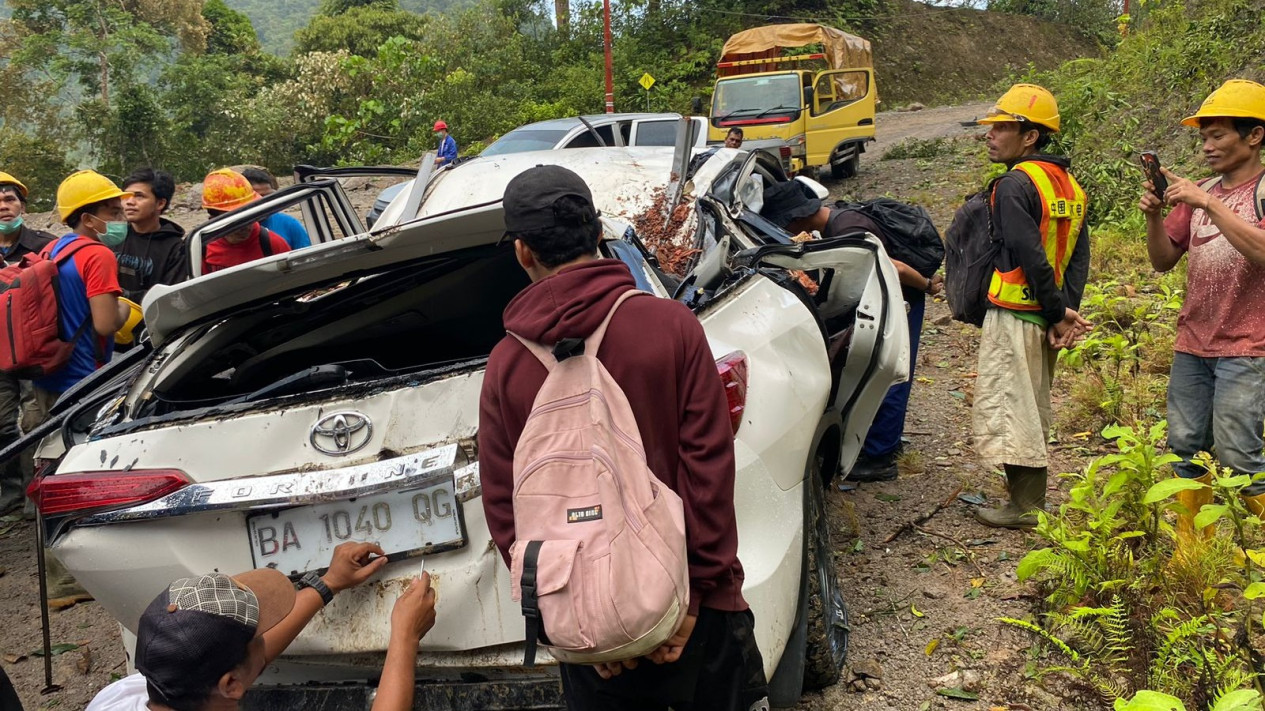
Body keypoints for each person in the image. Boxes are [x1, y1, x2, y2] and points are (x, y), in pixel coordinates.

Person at [478, 165, 768, 711]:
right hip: (698, 614)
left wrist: (579, 617)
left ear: (522, 253)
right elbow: (709, 468)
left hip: (590, 637)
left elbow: (505, 510)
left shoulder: (505, 366)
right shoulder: (671, 325)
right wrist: (691, 600)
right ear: (598, 234)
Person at [1138, 79, 1265, 555]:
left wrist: (1208, 203)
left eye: (1219, 136)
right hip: (1193, 343)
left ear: (1254, 137)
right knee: (1187, 450)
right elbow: (1162, 260)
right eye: (1204, 138)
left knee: (1239, 458)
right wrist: (1154, 214)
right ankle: (1194, 556)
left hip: (1249, 346)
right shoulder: (1201, 191)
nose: (1208, 146)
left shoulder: (1253, 191)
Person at [84, 542, 438, 711]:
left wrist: (328, 584)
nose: (266, 635)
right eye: (258, 633)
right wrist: (405, 637)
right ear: (231, 684)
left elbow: (252, 656)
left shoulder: (125, 697)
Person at [967, 84, 1091, 529]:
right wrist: (1063, 313)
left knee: (1010, 405)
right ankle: (1027, 501)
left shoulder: (1014, 184)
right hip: (1045, 315)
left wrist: (1058, 314)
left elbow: (1027, 254)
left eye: (1003, 126)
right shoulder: (1069, 184)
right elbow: (1077, 257)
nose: (991, 134)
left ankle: (1024, 507)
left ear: (1031, 136)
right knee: (1032, 403)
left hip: (1018, 311)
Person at [761, 180, 944, 482]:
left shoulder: (848, 229)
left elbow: (894, 268)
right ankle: (886, 441)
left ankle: (880, 457)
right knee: (884, 370)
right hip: (893, 295)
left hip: (901, 298)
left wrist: (927, 285)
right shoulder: (837, 218)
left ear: (796, 218)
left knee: (888, 372)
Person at [30, 170, 133, 607]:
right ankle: (72, 579)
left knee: (50, 472)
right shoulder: (96, 255)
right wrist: (131, 311)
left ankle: (60, 576)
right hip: (85, 380)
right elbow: (106, 323)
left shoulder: (52, 249)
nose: (120, 216)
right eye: (112, 211)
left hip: (46, 378)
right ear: (89, 218)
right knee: (89, 473)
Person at [0, 172, 53, 517]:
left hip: (36, 350)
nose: (3, 208)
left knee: (37, 421)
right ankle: (10, 498)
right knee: (2, 424)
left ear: (22, 205)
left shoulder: (44, 244)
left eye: (9, 200)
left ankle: (41, 495)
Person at [118, 168, 189, 303]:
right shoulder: (113, 236)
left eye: (139, 196)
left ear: (160, 203)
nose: (129, 202)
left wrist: (123, 295)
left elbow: (169, 297)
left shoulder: (176, 249)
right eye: (126, 196)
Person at [200, 169, 290, 273]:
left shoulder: (273, 244)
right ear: (213, 220)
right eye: (234, 220)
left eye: (248, 217)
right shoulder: (202, 249)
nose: (245, 226)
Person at [241, 166, 311, 249]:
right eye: (258, 198)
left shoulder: (290, 225)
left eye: (268, 197)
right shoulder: (231, 231)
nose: (264, 203)